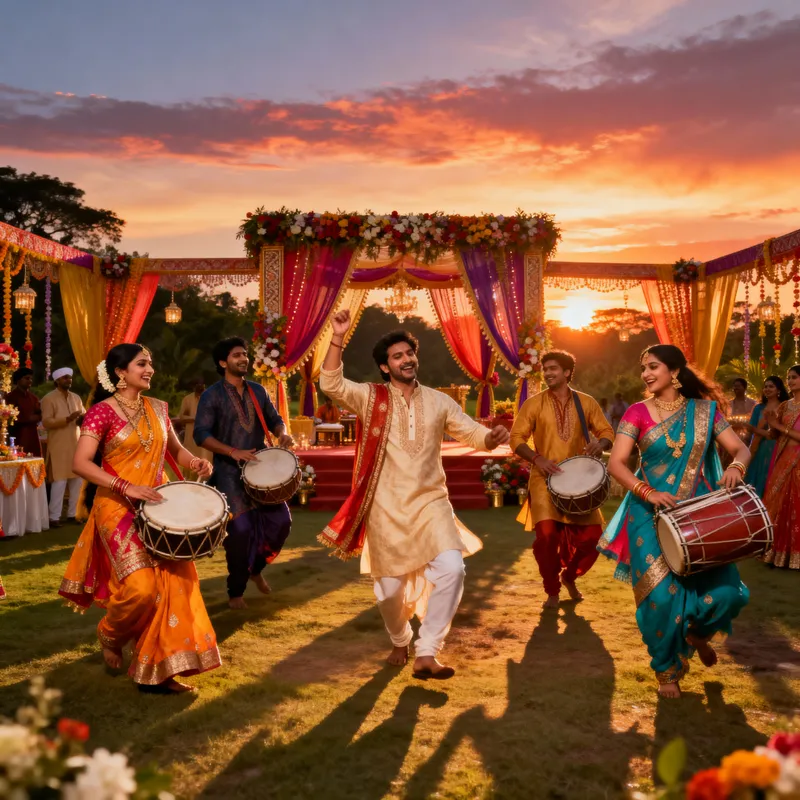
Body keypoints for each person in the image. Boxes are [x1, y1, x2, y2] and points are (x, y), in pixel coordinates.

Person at [319, 309, 510, 680]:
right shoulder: (370, 399)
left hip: (431, 502)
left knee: (453, 568)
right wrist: (339, 336)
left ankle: (427, 651)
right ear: (385, 367)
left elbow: (471, 432)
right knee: (389, 593)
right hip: (385, 508)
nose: (407, 359)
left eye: (410, 353)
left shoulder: (439, 401)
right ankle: (401, 636)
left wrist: (491, 438)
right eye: (398, 356)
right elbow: (331, 383)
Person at [59, 343, 219, 693]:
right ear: (120, 372)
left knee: (171, 586)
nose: (150, 370)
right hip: (116, 506)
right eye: (142, 364)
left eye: (151, 363)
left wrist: (195, 462)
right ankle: (109, 634)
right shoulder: (101, 412)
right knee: (141, 588)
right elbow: (80, 463)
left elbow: (175, 450)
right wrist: (125, 486)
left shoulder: (159, 408)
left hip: (159, 505)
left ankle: (159, 670)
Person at [600, 344, 751, 699]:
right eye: (644, 368)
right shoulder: (637, 412)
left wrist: (735, 466)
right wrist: (647, 492)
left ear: (675, 373)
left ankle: (696, 633)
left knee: (727, 595)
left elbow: (740, 448)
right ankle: (666, 668)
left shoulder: (705, 412)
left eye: (653, 367)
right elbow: (617, 463)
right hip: (649, 512)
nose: (646, 374)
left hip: (697, 514)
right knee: (661, 597)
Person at [194, 337, 294, 609]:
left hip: (261, 468)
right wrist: (232, 451)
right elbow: (201, 434)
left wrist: (283, 434)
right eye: (237, 355)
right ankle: (235, 591)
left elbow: (275, 420)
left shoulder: (258, 391)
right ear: (223, 362)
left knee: (281, 523)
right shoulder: (211, 395)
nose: (244, 359)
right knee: (240, 531)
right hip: (228, 472)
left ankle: (255, 570)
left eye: (245, 354)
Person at [510, 350, 614, 608]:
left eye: (553, 368)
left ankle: (568, 576)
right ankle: (552, 590)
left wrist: (599, 445)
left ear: (567, 372)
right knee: (546, 536)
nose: (547, 373)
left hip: (579, 481)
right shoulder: (533, 404)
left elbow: (606, 431)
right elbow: (516, 439)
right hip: (543, 478)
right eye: (545, 369)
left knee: (592, 538)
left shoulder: (586, 402)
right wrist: (537, 459)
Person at [762, 364, 800, 569]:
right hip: (783, 458)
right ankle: (778, 554)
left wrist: (778, 426)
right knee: (778, 504)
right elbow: (773, 435)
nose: (790, 381)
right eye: (789, 377)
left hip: (798, 460)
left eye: (794, 377)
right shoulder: (785, 406)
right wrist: (771, 424)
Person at [41, 368, 86, 527]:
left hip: (77, 444)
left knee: (77, 481)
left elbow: (83, 417)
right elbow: (47, 422)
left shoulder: (76, 398)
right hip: (59, 446)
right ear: (57, 380)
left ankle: (73, 514)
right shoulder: (49, 399)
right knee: (59, 482)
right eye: (65, 378)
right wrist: (67, 419)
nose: (69, 380)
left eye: (70, 378)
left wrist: (82, 419)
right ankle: (54, 517)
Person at [744, 376, 789, 497]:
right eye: (765, 386)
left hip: (776, 447)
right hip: (759, 448)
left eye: (771, 386)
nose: (767, 389)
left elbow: (782, 431)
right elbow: (750, 428)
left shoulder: (785, 407)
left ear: (778, 390)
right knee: (755, 474)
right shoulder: (759, 408)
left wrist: (760, 431)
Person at [178, 378, 211, 480]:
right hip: (191, 435)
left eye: (201, 384)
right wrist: (194, 418)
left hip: (207, 434)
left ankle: (208, 484)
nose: (200, 386)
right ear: (193, 387)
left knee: (207, 460)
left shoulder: (211, 398)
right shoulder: (187, 399)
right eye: (197, 385)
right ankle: (189, 482)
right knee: (191, 459)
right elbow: (182, 417)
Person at [6, 367, 42, 457]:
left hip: (33, 435)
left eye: (31, 379)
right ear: (18, 380)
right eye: (27, 378)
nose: (30, 381)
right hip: (17, 435)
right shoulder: (10, 397)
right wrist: (28, 418)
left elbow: (40, 413)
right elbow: (9, 418)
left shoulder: (33, 398)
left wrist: (36, 417)